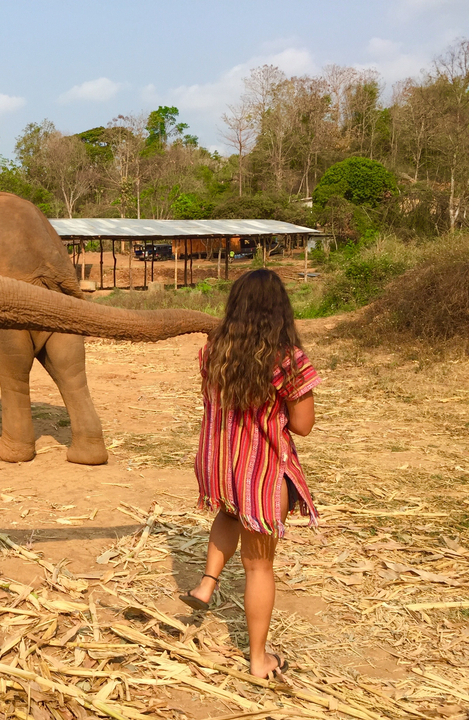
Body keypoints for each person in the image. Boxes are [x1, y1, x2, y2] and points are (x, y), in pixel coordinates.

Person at [180, 269, 319, 680]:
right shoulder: (288, 360)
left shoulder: (212, 352)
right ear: (280, 310)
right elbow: (303, 425)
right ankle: (259, 659)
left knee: (227, 513)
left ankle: (206, 584)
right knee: (259, 567)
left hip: (219, 463)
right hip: (260, 471)